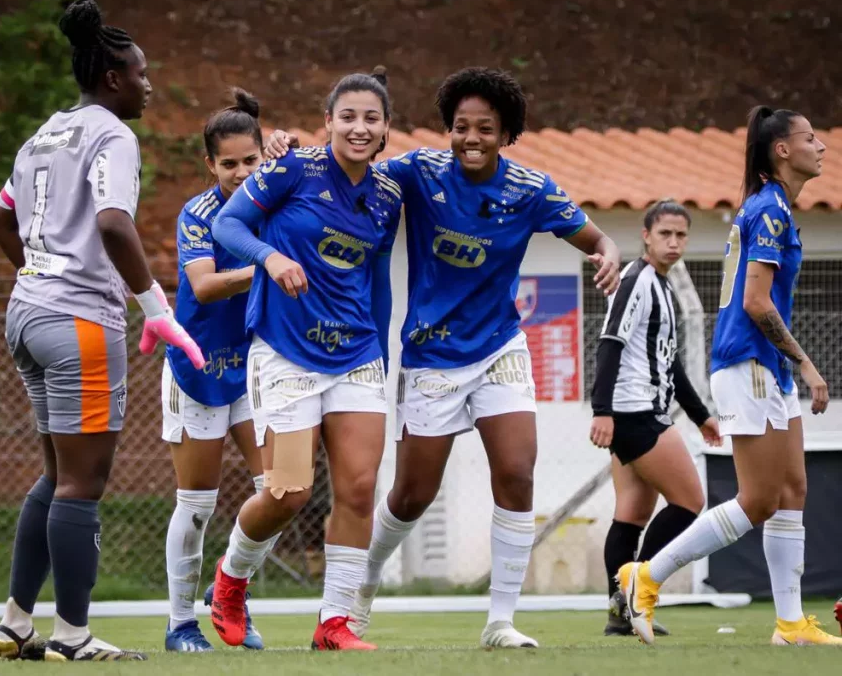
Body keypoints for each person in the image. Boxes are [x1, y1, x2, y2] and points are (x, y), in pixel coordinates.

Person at [267, 65, 621, 649]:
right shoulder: (418, 172)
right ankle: (365, 579)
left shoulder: (530, 189)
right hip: (431, 357)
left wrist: (607, 253)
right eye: (461, 127)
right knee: (412, 495)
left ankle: (500, 621)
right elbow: (349, 164)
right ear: (448, 130)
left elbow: (595, 236)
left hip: (500, 346)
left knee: (517, 471)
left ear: (506, 134)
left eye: (485, 128)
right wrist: (289, 146)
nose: (471, 138)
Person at [0, 0, 202, 662]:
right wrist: (156, 308)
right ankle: (72, 635)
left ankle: (15, 623)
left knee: (57, 474)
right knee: (83, 483)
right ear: (113, 78)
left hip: (26, 313)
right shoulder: (113, 135)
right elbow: (112, 222)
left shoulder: (42, 135)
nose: (148, 84)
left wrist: (40, 275)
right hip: (78, 322)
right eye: (140, 73)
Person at [618, 106, 839, 646]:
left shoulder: (772, 207)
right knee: (759, 499)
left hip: (767, 369)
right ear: (782, 150)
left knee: (793, 490)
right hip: (747, 365)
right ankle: (646, 575)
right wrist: (806, 363)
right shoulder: (769, 211)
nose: (821, 147)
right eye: (810, 138)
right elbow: (756, 302)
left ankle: (790, 624)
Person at [207, 67, 402, 651]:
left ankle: (335, 623)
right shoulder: (292, 168)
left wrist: (381, 354)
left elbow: (378, 280)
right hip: (286, 350)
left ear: (386, 128)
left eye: (371, 118)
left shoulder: (388, 196)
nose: (359, 128)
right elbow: (228, 223)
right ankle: (230, 580)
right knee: (288, 492)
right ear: (328, 122)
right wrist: (269, 258)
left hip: (358, 355)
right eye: (348, 117)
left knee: (359, 490)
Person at [162, 88, 275, 652]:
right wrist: (269, 264)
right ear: (210, 164)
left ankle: (229, 588)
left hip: (256, 368)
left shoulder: (277, 206)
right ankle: (180, 624)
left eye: (250, 160)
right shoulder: (198, 214)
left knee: (281, 492)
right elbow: (204, 287)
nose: (241, 172)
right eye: (228, 164)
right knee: (198, 505)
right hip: (199, 368)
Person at [590, 199, 722, 637]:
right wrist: (602, 410)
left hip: (637, 411)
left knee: (631, 513)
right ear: (646, 236)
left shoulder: (661, 286)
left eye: (681, 235)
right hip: (635, 411)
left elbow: (670, 363)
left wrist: (701, 415)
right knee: (690, 501)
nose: (674, 242)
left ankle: (620, 613)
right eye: (665, 233)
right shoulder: (637, 280)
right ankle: (638, 590)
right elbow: (609, 343)